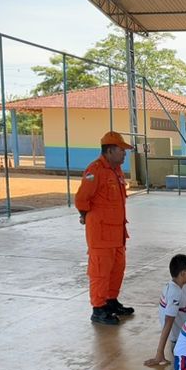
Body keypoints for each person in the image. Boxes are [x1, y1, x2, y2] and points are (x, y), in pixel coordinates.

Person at [77, 131, 135, 325]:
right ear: (110, 151)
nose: (124, 154)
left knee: (117, 269)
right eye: (121, 150)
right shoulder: (95, 170)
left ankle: (111, 301)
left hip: (117, 233)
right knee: (100, 272)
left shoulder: (116, 170)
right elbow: (81, 199)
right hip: (101, 234)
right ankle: (99, 309)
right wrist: (85, 216)